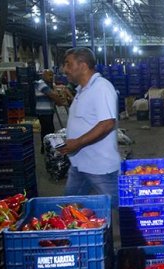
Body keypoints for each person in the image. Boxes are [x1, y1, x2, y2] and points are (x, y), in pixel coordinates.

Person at [58, 47, 120, 207]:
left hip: (100, 167)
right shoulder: (82, 90)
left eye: (68, 64)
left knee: (121, 209)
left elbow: (107, 123)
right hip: (80, 164)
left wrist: (77, 143)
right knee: (68, 209)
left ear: (84, 66)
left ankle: (139, 229)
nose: (65, 70)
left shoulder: (101, 88)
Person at [35, 69, 67, 153]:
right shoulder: (40, 83)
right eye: (49, 75)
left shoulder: (48, 84)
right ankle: (46, 149)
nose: (51, 77)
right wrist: (60, 102)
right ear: (43, 75)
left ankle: (46, 148)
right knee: (47, 131)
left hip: (48, 111)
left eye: (52, 75)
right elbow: (52, 95)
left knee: (48, 129)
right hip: (43, 112)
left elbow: (54, 94)